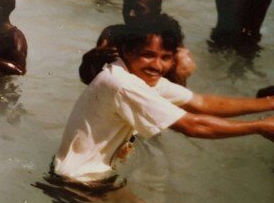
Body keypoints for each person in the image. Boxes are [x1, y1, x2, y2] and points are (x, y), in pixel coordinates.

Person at [52, 14, 274, 187]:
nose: (157, 66)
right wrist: (258, 126)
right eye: (148, 54)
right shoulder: (123, 84)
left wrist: (269, 103)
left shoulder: (138, 76)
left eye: (166, 58)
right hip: (78, 183)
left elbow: (202, 103)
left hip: (85, 176)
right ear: (127, 50)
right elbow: (192, 125)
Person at [79, 0, 196, 86]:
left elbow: (178, 89)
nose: (130, 14)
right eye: (127, 7)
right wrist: (90, 60)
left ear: (157, 12)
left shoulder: (165, 39)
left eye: (139, 9)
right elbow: (91, 81)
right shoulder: (112, 34)